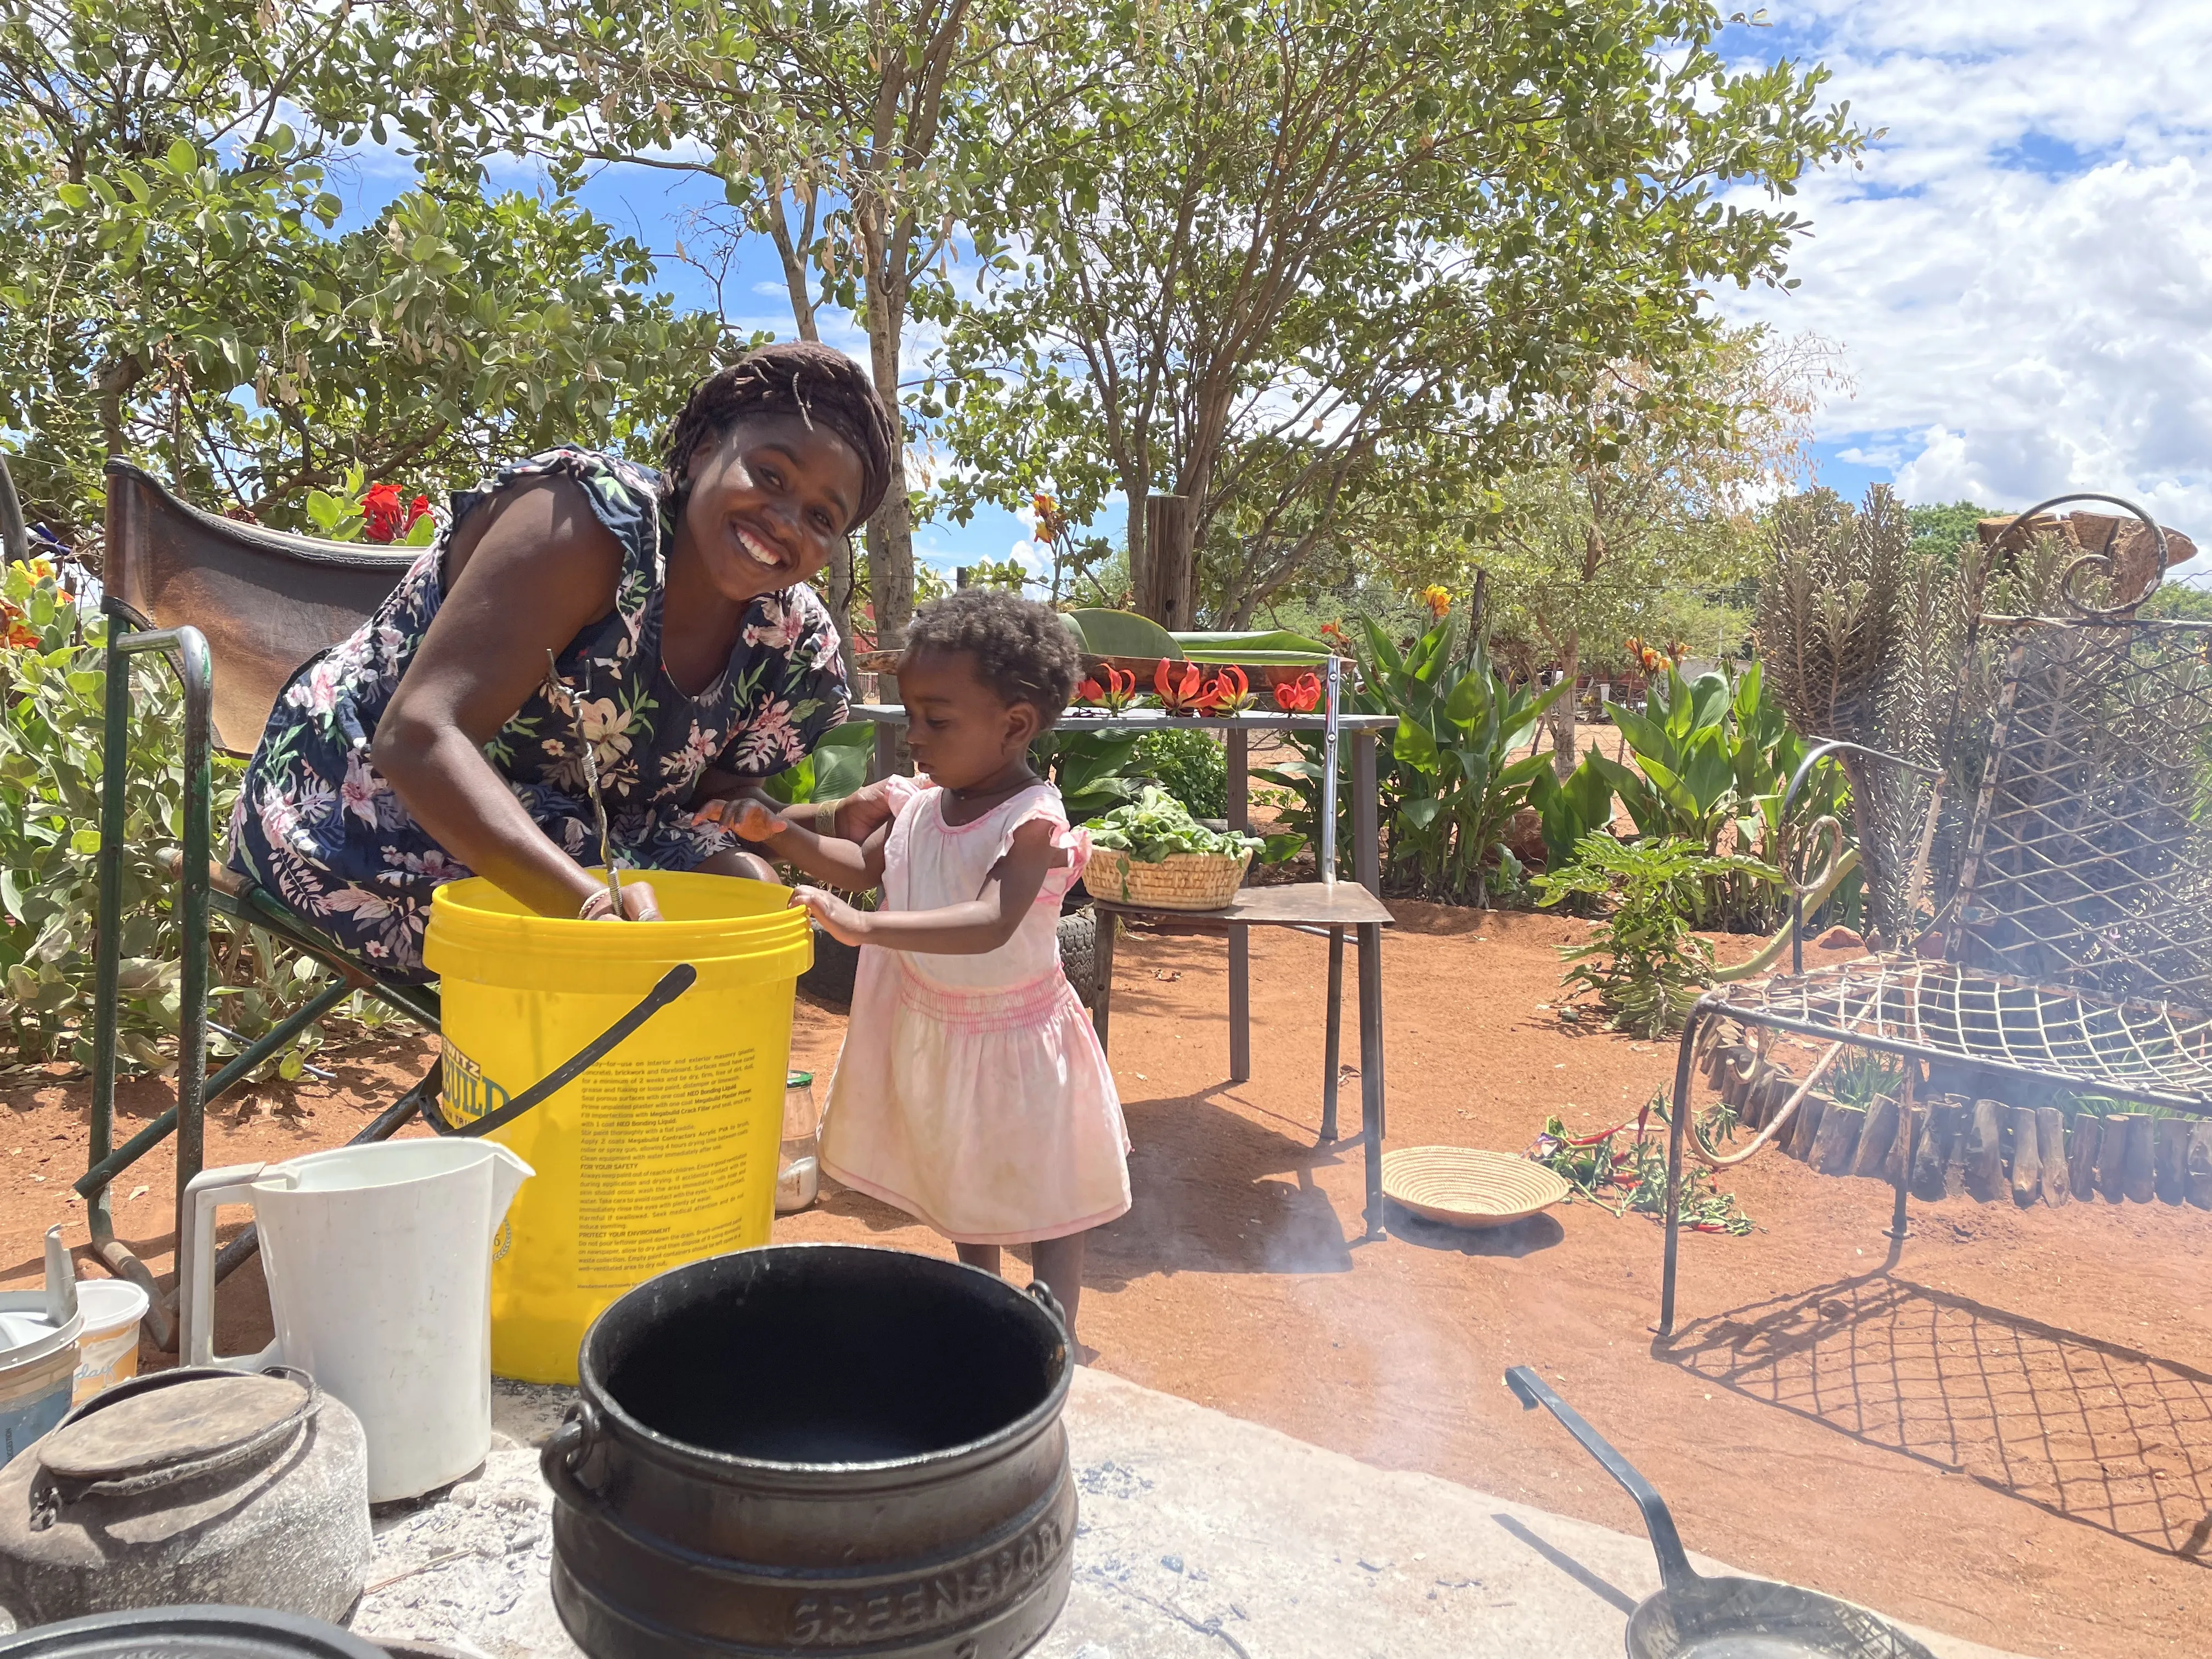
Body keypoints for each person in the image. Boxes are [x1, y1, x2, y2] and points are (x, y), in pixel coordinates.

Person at [227, 341, 900, 980]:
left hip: (580, 830)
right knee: (656, 947)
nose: (786, 520)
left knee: (746, 890)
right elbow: (418, 737)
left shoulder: (789, 641)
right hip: (369, 807)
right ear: (700, 453)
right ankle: (551, 1095)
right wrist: (592, 910)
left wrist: (830, 820)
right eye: (770, 474)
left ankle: (666, 1097)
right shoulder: (588, 522)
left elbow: (708, 810)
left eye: (821, 518)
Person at [717, 589, 1130, 1333]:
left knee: (1047, 1190)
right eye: (911, 715)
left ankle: (1053, 1329)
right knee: (964, 1173)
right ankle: (985, 1302)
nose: (914, 737)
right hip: (943, 1031)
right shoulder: (919, 804)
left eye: (936, 721)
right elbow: (854, 864)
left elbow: (991, 922)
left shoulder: (1032, 822)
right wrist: (775, 831)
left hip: (1019, 1042)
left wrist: (869, 930)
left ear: (1014, 726)